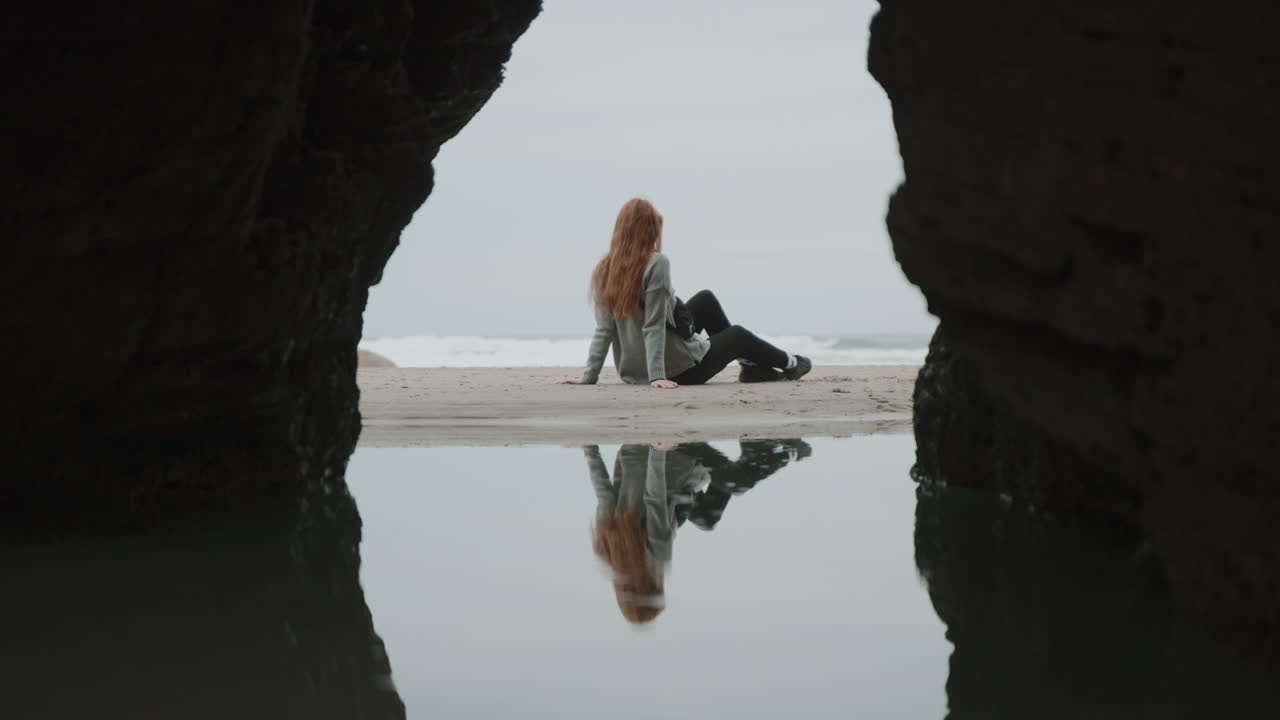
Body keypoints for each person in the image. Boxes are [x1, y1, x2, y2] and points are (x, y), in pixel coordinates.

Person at [558, 197, 811, 388]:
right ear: (649, 230)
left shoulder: (604, 269)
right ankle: (791, 363)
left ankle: (752, 368)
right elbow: (653, 325)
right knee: (737, 335)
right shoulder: (656, 263)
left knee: (705, 300)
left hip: (633, 373)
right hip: (675, 371)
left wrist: (588, 377)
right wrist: (658, 377)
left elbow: (604, 330)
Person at [585, 439, 812, 625]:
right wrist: (589, 447)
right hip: (633, 451)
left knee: (737, 484)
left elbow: (654, 498)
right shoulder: (608, 550)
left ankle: (790, 452)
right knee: (706, 519)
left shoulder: (655, 558)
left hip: (673, 456)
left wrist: (657, 450)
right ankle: (749, 457)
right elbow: (604, 492)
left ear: (650, 588)